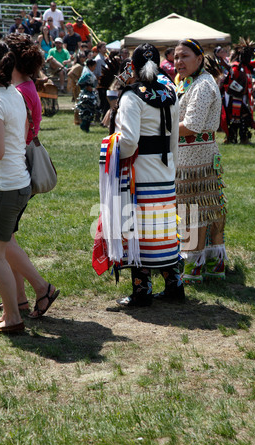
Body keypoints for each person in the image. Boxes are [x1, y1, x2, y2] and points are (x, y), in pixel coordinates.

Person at [98, 43, 184, 307]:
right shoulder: (171, 90)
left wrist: (111, 152)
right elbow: (175, 138)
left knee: (138, 230)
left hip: (140, 174)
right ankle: (174, 285)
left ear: (132, 68)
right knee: (164, 229)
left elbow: (131, 141)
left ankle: (142, 291)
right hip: (166, 168)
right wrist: (172, 166)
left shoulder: (131, 97)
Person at [0, 33, 60, 321]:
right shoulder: (25, 86)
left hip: (13, 174)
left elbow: (16, 138)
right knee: (6, 240)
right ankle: (19, 300)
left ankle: (41, 288)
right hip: (17, 171)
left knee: (4, 242)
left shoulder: (18, 91)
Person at [174, 38, 228, 284]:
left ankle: (195, 265)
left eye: (184, 56)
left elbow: (193, 124)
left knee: (195, 210)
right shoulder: (190, 83)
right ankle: (208, 263)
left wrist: (160, 129)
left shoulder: (203, 85)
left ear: (199, 58)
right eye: (176, 56)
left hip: (197, 157)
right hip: (192, 155)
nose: (179, 61)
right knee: (201, 208)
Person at [0, 41, 31, 333]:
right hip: (16, 183)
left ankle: (13, 318)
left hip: (3, 187)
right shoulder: (14, 94)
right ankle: (17, 307)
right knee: (2, 250)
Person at [223, 38, 255, 144]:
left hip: (244, 97)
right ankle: (232, 138)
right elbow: (229, 84)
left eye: (249, 56)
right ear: (241, 56)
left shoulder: (247, 66)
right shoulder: (236, 67)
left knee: (244, 117)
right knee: (236, 118)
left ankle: (243, 138)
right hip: (235, 98)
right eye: (246, 56)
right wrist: (239, 90)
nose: (248, 58)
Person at [76, 58, 99, 132]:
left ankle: (86, 126)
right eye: (94, 66)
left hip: (91, 94)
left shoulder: (89, 73)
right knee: (86, 111)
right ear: (90, 66)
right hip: (87, 95)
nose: (95, 68)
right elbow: (79, 83)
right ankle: (84, 126)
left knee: (90, 111)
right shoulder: (87, 73)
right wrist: (86, 87)